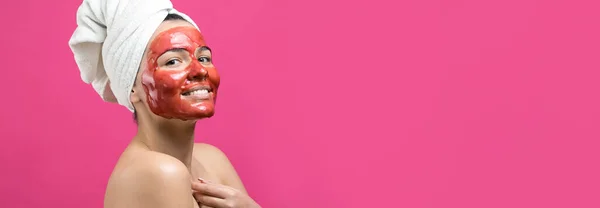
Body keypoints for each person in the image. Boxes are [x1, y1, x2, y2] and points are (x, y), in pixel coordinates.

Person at [69, 0, 261, 207]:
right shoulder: (160, 171)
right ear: (131, 87)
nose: (200, 70)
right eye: (172, 61)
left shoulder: (212, 159)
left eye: (204, 58)